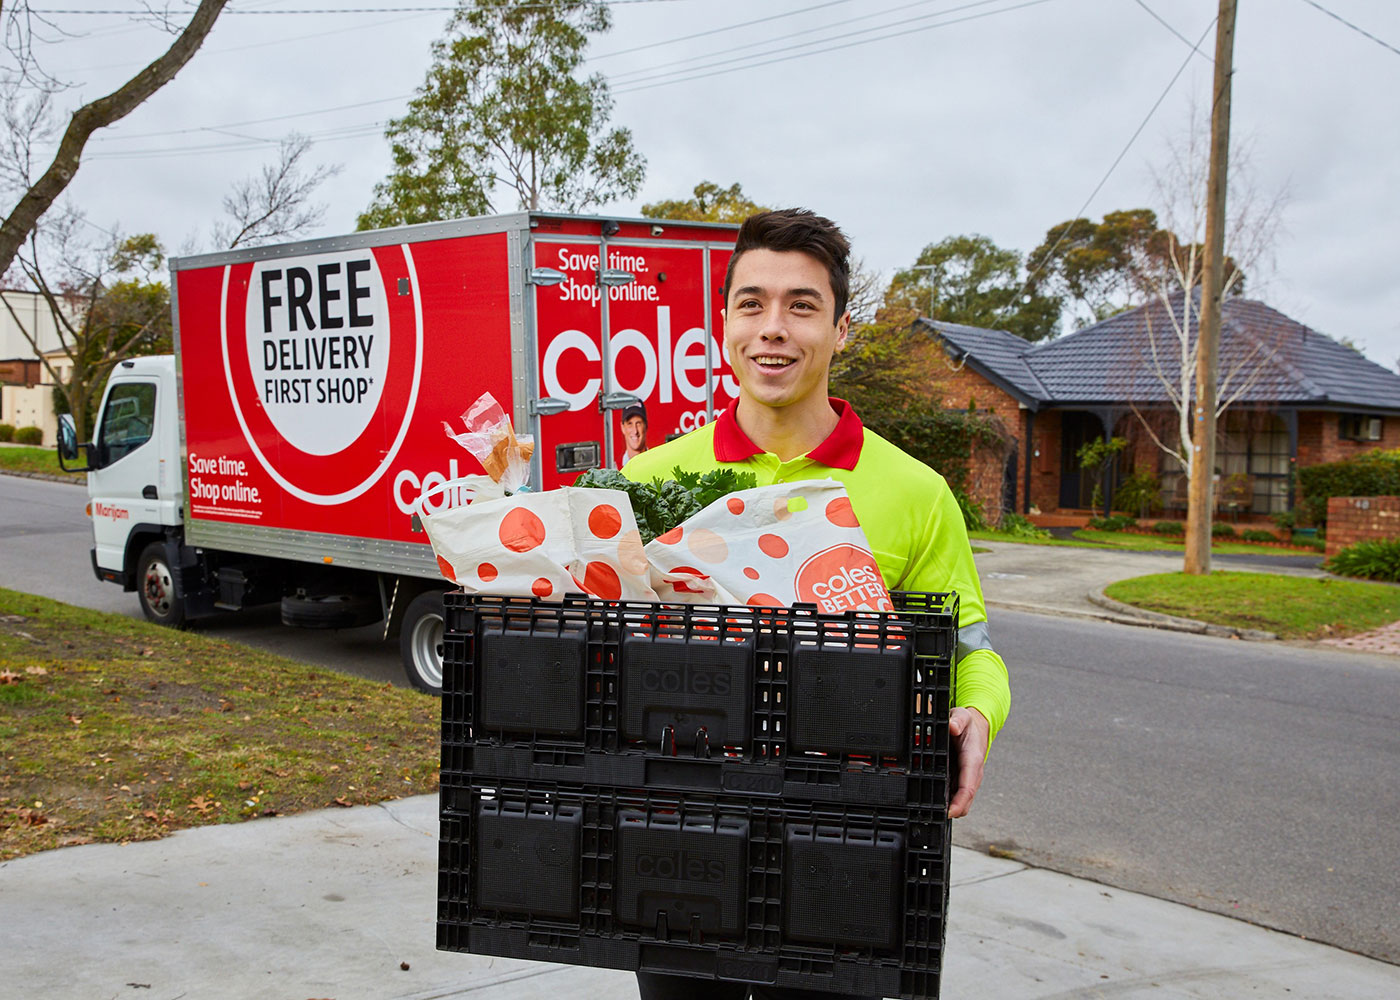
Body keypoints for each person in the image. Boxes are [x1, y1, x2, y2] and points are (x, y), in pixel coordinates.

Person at [622, 209, 1011, 1000]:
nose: (773, 329)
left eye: (802, 306)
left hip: (850, 837)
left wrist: (978, 713)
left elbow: (972, 650)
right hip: (684, 834)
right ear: (723, 322)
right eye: (751, 303)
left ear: (841, 331)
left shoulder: (914, 492)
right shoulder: (651, 481)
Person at [619, 401, 649, 466]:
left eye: (638, 423)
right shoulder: (616, 469)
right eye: (630, 424)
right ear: (622, 427)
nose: (635, 431)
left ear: (646, 425)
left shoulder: (655, 463)